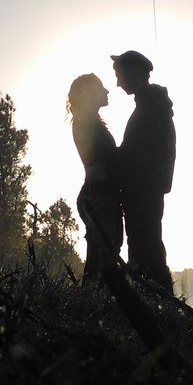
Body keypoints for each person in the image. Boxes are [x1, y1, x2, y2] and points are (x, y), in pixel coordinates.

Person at [111, 49, 175, 294]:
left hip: (143, 192)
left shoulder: (151, 108)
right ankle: (157, 300)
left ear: (135, 73)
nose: (117, 82)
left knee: (144, 247)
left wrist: (109, 156)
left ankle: (157, 301)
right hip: (144, 190)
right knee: (145, 245)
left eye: (119, 74)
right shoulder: (150, 105)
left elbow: (141, 155)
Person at [67, 73, 123, 283]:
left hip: (98, 194)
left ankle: (92, 304)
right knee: (102, 258)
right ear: (90, 94)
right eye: (101, 88)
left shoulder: (86, 122)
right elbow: (102, 160)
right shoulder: (86, 123)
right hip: (99, 196)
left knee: (103, 254)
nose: (107, 91)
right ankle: (91, 306)